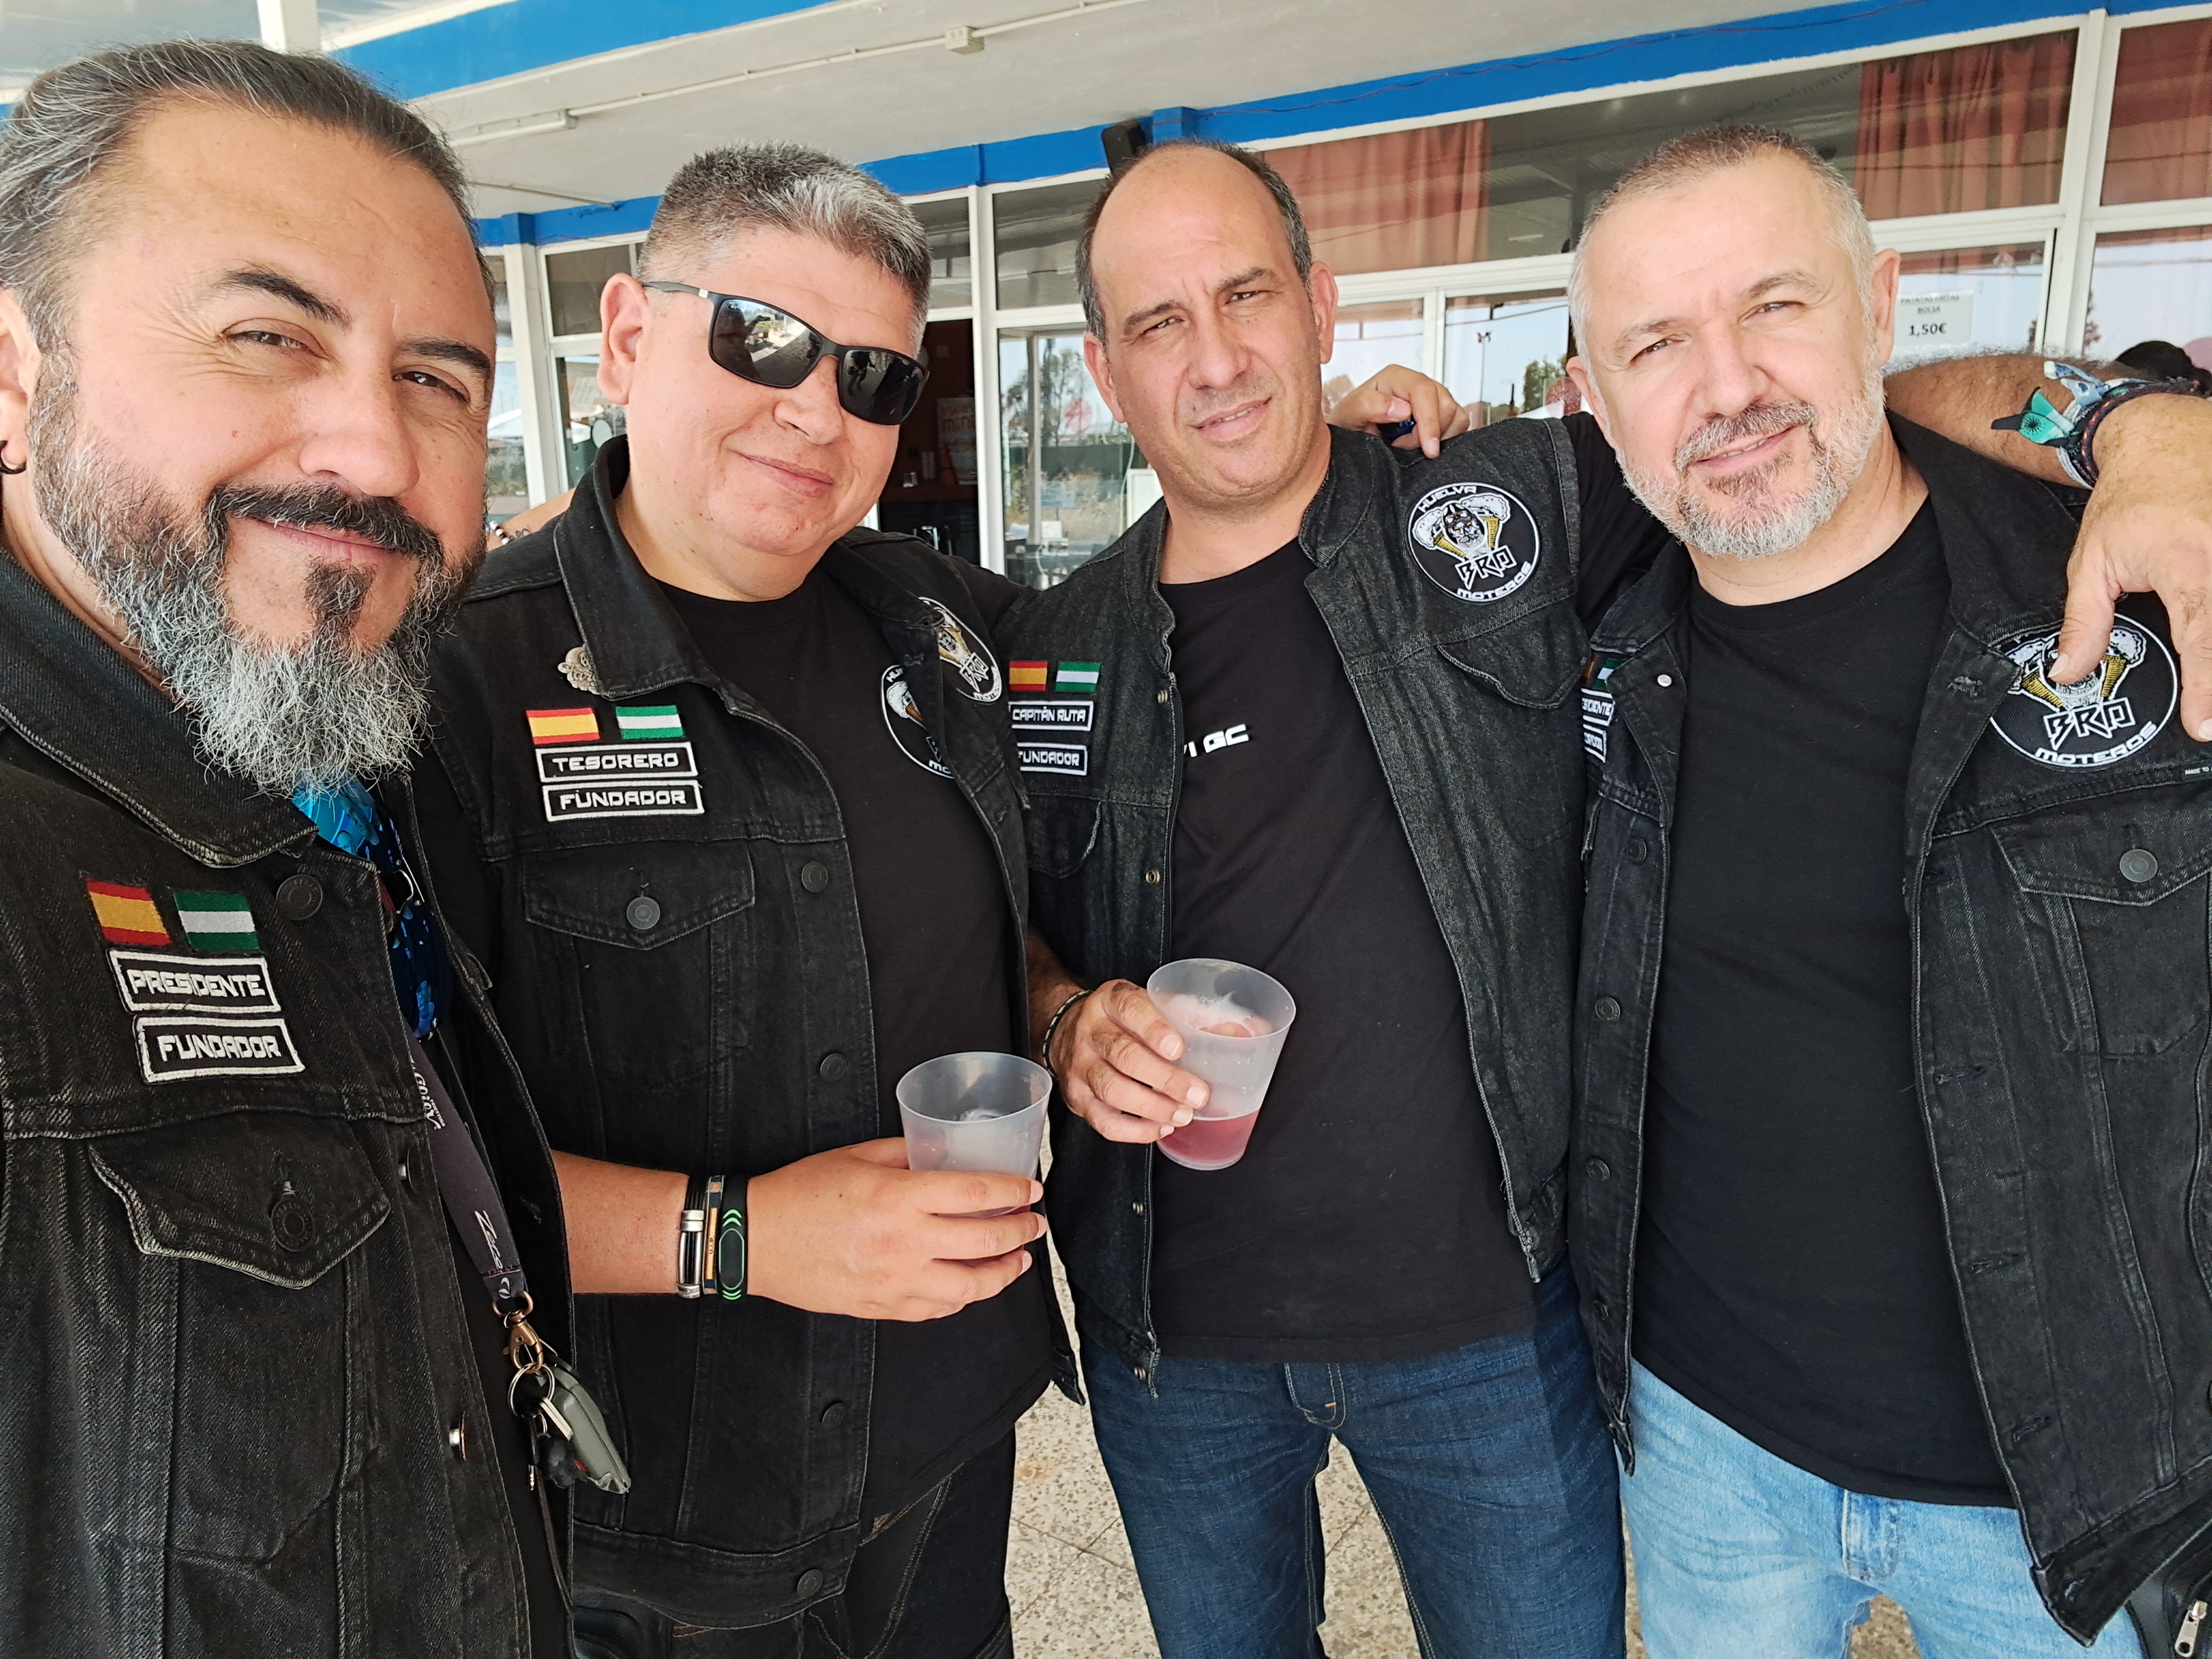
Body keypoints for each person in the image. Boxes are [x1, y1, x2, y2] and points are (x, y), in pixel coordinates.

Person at [1012, 136, 2212, 1659]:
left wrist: (2138, 423)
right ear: (1105, 374)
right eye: (1157, 322)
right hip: (1176, 1339)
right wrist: (1063, 1019)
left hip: (1493, 1333)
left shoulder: (1520, 502)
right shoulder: (1050, 642)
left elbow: (1826, 409)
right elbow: (999, 915)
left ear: (1321, 307)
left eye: (1246, 294)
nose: (1214, 356)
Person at [411, 141, 1455, 1659]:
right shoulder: (456, 687)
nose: (815, 410)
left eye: (875, 379)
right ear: (627, 335)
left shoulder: (941, 628)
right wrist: (742, 1236)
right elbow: (401, 1159)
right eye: (761, 340)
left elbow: (1180, 615)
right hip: (666, 1527)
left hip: (951, 1460)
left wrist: (1309, 460)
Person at [1567, 124, 2212, 1656]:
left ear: (1880, 304)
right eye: (1657, 344)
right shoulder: (1598, 624)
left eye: (1776, 306)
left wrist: (2147, 424)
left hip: (2068, 1499)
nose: (1726, 386)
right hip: (1707, 1449)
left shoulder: (2137, 593)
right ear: (1592, 399)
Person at [0, 40, 572, 1658]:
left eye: (437, 380)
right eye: (268, 335)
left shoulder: (325, 762)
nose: (378, 455)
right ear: (15, 382)